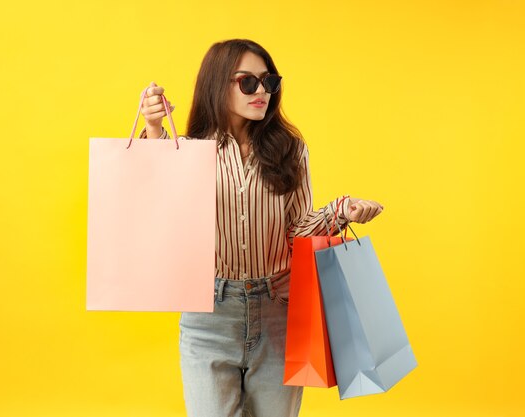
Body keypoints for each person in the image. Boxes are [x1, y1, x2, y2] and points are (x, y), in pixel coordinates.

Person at [138, 39, 384, 417]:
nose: (261, 92)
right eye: (247, 82)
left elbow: (299, 230)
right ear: (217, 84)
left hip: (279, 312)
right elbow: (159, 204)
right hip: (209, 316)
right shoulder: (185, 151)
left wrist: (342, 211)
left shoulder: (289, 149)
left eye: (268, 82)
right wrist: (153, 127)